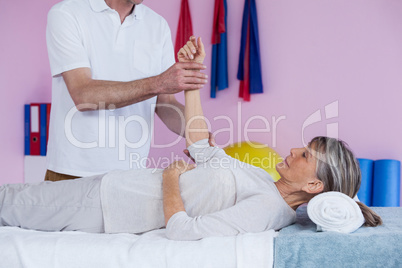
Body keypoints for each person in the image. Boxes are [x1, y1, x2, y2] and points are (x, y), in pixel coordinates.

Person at [0, 38, 382, 241]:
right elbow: (202, 148)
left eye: (305, 155)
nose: (294, 150)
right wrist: (191, 77)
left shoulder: (268, 210)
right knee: (9, 201)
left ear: (315, 184)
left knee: (9, 203)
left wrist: (170, 180)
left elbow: (186, 233)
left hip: (108, 208)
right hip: (112, 187)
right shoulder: (264, 183)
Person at [44, 0, 209, 181]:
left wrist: (201, 137)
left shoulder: (157, 25)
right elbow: (83, 94)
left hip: (131, 178)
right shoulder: (67, 13)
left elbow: (165, 103)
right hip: (70, 173)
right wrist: (159, 82)